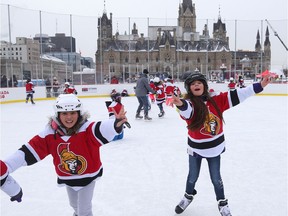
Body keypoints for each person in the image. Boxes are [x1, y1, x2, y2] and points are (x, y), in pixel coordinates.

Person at [0, 94, 128, 216]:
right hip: (68, 178)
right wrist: (6, 166)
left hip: (87, 178)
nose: (69, 117)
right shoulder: (49, 133)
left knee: (84, 211)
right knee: (74, 205)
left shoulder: (87, 129)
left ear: (79, 113)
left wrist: (115, 124)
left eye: (73, 113)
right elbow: (28, 151)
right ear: (58, 114)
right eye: (64, 113)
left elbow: (101, 128)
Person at [171, 73, 270, 216]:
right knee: (192, 176)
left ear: (204, 86)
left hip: (214, 149)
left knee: (216, 179)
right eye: (193, 84)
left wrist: (260, 85)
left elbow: (240, 94)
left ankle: (222, 202)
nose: (196, 85)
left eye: (199, 82)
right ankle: (188, 196)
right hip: (195, 149)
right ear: (189, 88)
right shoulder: (190, 104)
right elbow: (187, 110)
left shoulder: (217, 101)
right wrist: (180, 104)